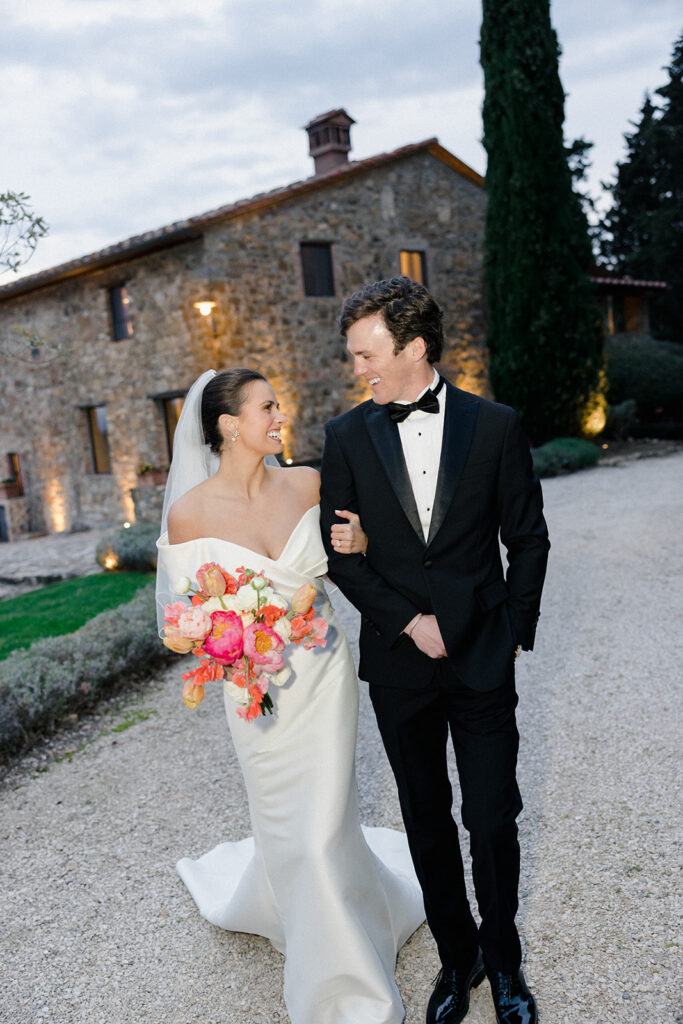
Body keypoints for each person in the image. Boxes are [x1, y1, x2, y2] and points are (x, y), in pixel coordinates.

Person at [155, 367, 425, 1024]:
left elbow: (359, 560)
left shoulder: (308, 482)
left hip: (322, 673)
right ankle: (313, 932)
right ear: (226, 424)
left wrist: (360, 542)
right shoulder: (189, 515)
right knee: (288, 828)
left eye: (279, 404)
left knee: (326, 820)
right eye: (266, 407)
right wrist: (207, 635)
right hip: (252, 690)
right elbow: (178, 621)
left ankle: (344, 977)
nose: (281, 416)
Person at [320, 276, 550, 1024]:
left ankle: (506, 962)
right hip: (397, 663)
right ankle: (460, 960)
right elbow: (342, 555)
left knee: (490, 819)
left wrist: (513, 629)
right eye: (353, 357)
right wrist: (406, 621)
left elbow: (527, 539)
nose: (357, 369)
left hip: (482, 657)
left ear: (413, 347)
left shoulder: (493, 427)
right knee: (424, 816)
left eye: (365, 354)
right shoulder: (345, 436)